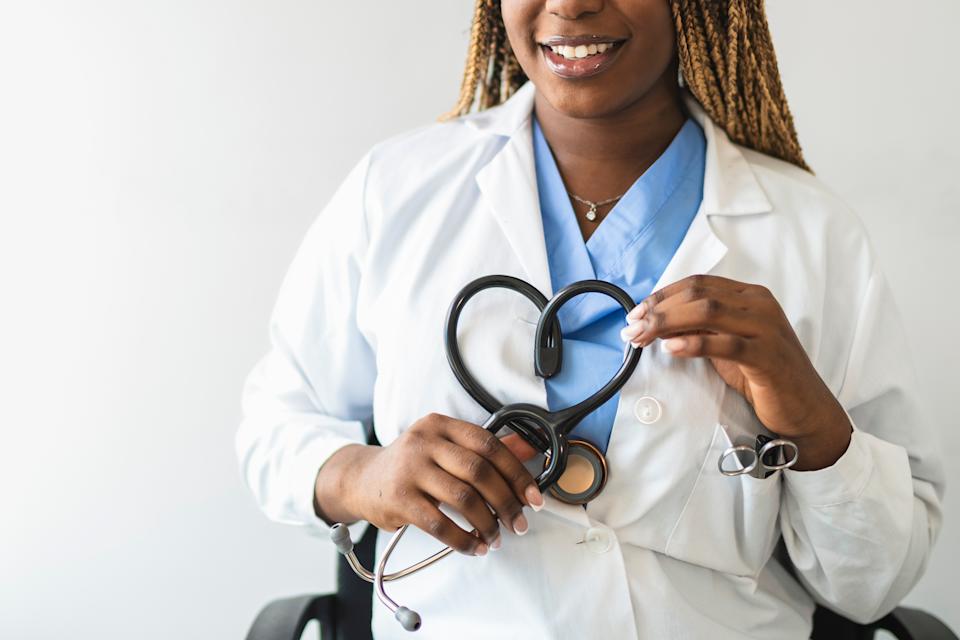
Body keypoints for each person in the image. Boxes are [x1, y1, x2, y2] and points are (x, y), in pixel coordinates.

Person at [235, 1, 946, 638]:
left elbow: (874, 582)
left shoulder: (811, 236)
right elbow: (275, 425)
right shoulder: (395, 191)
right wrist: (364, 476)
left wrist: (812, 421)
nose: (571, 5)